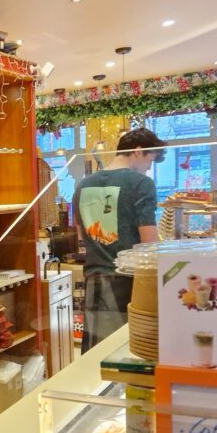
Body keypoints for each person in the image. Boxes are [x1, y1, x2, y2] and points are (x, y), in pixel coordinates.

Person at [72, 127, 164, 352]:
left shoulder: (83, 185)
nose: (149, 168)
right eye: (150, 161)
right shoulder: (141, 183)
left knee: (96, 351)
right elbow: (149, 244)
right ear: (139, 151)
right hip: (129, 282)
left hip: (94, 277)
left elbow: (80, 233)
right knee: (126, 352)